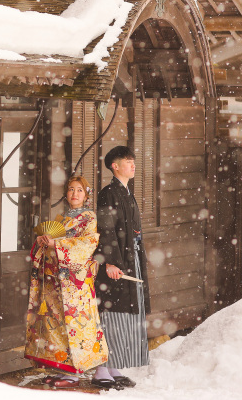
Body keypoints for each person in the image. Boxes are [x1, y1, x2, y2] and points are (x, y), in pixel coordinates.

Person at [25, 176, 108, 388]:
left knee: (75, 325)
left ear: (86, 194)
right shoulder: (62, 218)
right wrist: (43, 241)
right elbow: (51, 240)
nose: (74, 194)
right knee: (56, 325)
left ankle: (73, 373)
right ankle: (60, 369)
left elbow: (88, 244)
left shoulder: (89, 218)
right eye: (71, 189)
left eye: (79, 190)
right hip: (54, 279)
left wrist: (58, 243)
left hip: (75, 282)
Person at [92, 145, 150, 390]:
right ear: (114, 166)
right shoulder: (108, 193)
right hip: (116, 261)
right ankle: (100, 370)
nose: (132, 164)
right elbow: (106, 228)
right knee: (111, 312)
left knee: (126, 313)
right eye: (127, 161)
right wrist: (111, 261)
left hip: (130, 258)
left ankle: (113, 366)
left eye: (132, 160)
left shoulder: (126, 191)